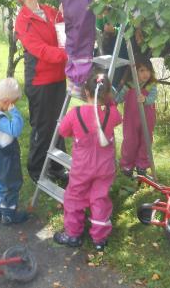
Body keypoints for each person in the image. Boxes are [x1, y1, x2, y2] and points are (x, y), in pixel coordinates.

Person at [53, 73, 122, 251]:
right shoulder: (112, 113)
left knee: (74, 197)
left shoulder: (75, 113)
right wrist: (110, 103)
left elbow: (63, 131)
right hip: (105, 166)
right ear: (107, 94)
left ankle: (73, 234)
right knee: (100, 199)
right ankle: (99, 239)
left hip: (82, 166)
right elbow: (118, 118)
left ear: (85, 91)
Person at [12, 0, 68, 184]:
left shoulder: (49, 11)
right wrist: (67, 56)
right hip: (40, 81)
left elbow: (63, 30)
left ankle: (57, 167)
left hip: (58, 77)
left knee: (59, 124)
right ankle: (36, 170)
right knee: (43, 127)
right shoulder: (23, 21)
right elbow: (40, 50)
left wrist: (66, 11)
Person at [0, 77, 29, 224]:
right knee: (11, 185)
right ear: (7, 102)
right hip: (6, 158)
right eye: (13, 103)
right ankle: (9, 214)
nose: (14, 105)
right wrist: (15, 113)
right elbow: (15, 130)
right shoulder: (0, 119)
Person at [114, 59, 157, 177]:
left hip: (147, 119)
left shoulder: (151, 86)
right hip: (131, 120)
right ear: (134, 72)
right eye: (142, 70)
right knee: (130, 141)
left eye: (148, 71)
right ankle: (127, 166)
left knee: (146, 142)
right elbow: (119, 98)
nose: (145, 74)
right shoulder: (129, 85)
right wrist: (113, 103)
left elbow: (153, 97)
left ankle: (142, 165)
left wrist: (146, 100)